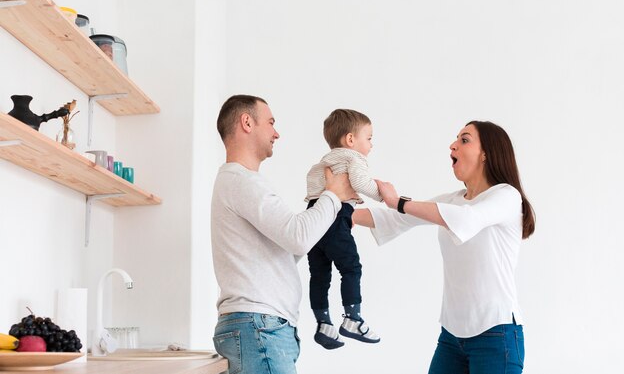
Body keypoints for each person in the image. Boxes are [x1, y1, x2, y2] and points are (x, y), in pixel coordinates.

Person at [353, 120, 535, 374]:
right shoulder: (452, 201)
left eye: (464, 140)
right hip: (452, 337)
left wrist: (399, 201)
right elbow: (395, 219)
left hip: (497, 334)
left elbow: (467, 219)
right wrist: (342, 215)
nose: (453, 145)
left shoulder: (506, 196)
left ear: (486, 154)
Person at [211, 95, 356, 374]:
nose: (276, 132)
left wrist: (330, 219)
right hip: (259, 328)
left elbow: (289, 247)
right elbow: (297, 236)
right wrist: (333, 195)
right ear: (247, 122)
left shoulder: (238, 183)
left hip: (260, 327)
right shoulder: (241, 181)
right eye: (271, 122)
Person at [304, 109, 382, 349]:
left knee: (319, 275)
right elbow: (359, 182)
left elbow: (313, 189)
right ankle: (352, 318)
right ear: (350, 140)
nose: (371, 144)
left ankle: (323, 324)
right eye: (368, 138)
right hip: (335, 220)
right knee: (351, 268)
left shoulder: (322, 163)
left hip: (314, 219)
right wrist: (383, 194)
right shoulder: (353, 158)